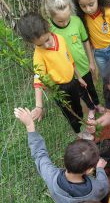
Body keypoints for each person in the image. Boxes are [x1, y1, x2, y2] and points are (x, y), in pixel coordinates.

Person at [14, 107, 109, 203]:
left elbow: (39, 155)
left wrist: (30, 126)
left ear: (65, 159)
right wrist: (100, 169)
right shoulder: (95, 188)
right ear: (89, 170)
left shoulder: (51, 177)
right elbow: (104, 188)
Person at [17, 12, 93, 140]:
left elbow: (70, 59)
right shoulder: (38, 55)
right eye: (40, 45)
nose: (46, 45)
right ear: (32, 43)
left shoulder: (60, 39)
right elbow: (38, 80)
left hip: (72, 82)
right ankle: (78, 132)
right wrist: (39, 105)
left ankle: (82, 124)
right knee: (70, 113)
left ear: (48, 27)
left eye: (47, 40)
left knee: (77, 107)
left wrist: (78, 77)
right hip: (59, 89)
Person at [41, 0, 105, 120]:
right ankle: (91, 108)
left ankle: (97, 104)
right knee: (81, 91)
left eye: (67, 18)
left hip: (82, 64)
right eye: (60, 21)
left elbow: (86, 41)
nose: (65, 23)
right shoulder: (48, 29)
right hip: (67, 71)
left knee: (90, 86)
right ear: (50, 16)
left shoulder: (76, 21)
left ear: (70, 9)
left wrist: (91, 61)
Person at [72, 0, 110, 77]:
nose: (88, 9)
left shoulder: (109, 13)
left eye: (91, 4)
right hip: (98, 54)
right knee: (105, 77)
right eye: (83, 6)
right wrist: (91, 60)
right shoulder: (82, 18)